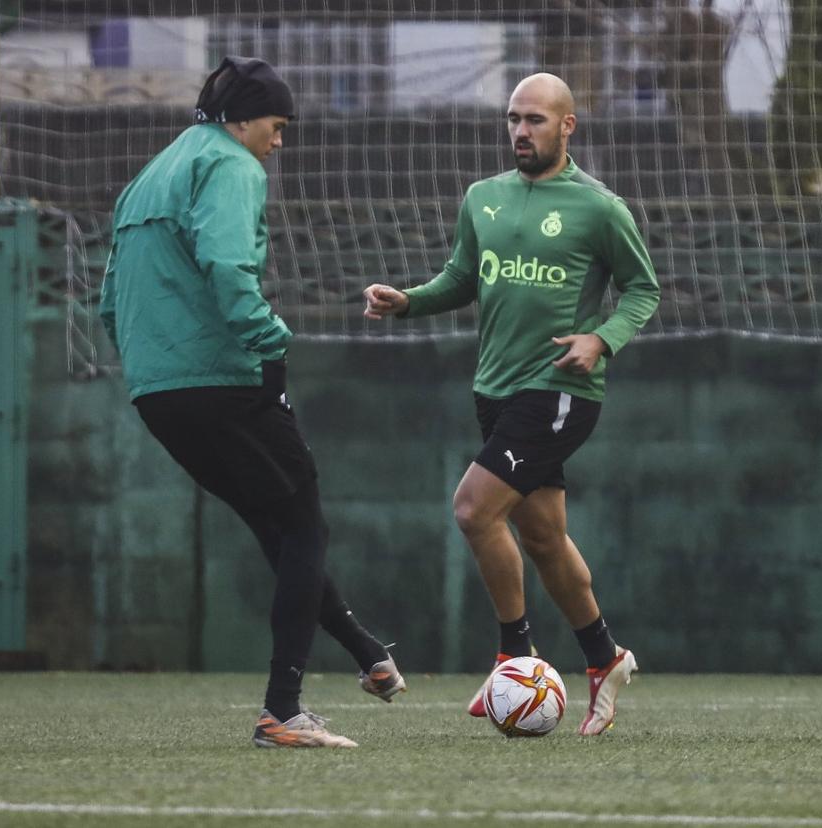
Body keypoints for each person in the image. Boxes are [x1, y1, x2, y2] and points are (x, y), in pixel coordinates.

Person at [99, 56, 405, 750]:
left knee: (280, 525)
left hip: (157, 392)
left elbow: (108, 302)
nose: (279, 140)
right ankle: (283, 711)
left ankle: (366, 653)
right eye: (276, 125)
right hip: (226, 378)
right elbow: (228, 267)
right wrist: (272, 345)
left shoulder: (152, 174)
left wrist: (153, 363)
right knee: (303, 528)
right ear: (242, 119)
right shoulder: (234, 166)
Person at [363, 72, 660, 736]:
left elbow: (644, 290)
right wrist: (408, 302)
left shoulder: (600, 207)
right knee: (544, 539)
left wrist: (601, 339)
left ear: (566, 126)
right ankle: (605, 658)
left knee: (472, 508)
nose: (521, 131)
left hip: (560, 390)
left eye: (534, 120)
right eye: (513, 119)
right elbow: (463, 278)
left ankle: (513, 655)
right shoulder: (483, 197)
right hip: (494, 391)